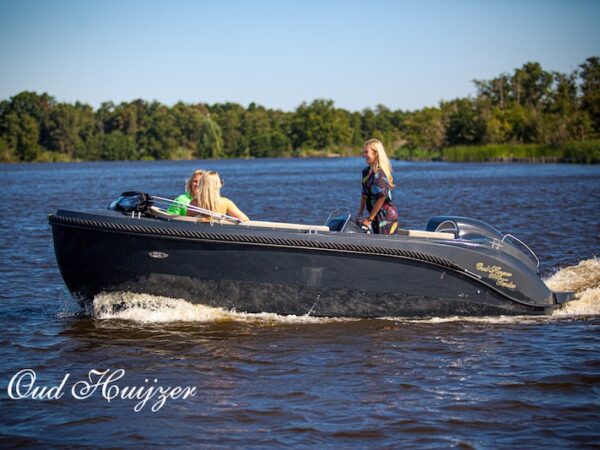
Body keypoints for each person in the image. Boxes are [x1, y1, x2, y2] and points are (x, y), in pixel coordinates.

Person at [357, 138, 400, 234]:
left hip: (385, 217)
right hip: (373, 215)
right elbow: (364, 194)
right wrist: (360, 212)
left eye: (367, 152)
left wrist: (369, 219)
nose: (364, 155)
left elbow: (382, 196)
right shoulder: (365, 172)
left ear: (376, 154)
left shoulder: (380, 174)